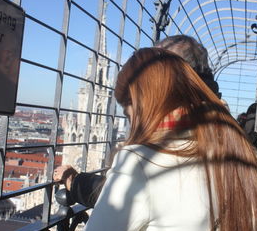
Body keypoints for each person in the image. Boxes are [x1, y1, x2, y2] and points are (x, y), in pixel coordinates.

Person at [65, 47, 257, 231]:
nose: (132, 125)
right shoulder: (251, 158)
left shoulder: (139, 163)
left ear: (146, 107)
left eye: (130, 115)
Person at [54, 35, 225, 208]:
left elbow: (127, 200)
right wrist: (78, 183)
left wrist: (124, 160)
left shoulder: (151, 156)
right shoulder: (229, 136)